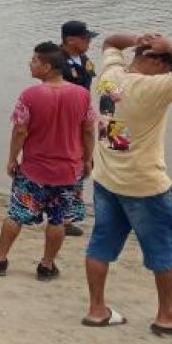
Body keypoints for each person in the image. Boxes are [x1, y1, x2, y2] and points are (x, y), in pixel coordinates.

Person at [82, 33, 172, 336]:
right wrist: (171, 45)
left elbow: (110, 43)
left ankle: (96, 310)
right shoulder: (152, 87)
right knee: (164, 250)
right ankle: (168, 316)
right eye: (170, 67)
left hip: (107, 179)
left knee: (101, 244)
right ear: (156, 62)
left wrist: (139, 38)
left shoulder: (110, 75)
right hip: (144, 185)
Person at [0, 43, 94, 281]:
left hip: (34, 169)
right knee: (57, 220)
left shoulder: (30, 95)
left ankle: (1, 258)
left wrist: (12, 158)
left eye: (35, 61)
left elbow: (20, 131)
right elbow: (88, 130)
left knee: (16, 214)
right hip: (68, 170)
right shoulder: (82, 95)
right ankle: (46, 265)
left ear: (47, 67)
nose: (30, 63)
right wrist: (88, 159)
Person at [60, 20, 99, 238]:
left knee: (81, 165)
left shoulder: (85, 61)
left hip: (82, 119)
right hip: (63, 121)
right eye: (85, 38)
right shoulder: (56, 61)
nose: (89, 42)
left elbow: (87, 89)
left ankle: (67, 219)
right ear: (70, 40)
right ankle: (56, 215)